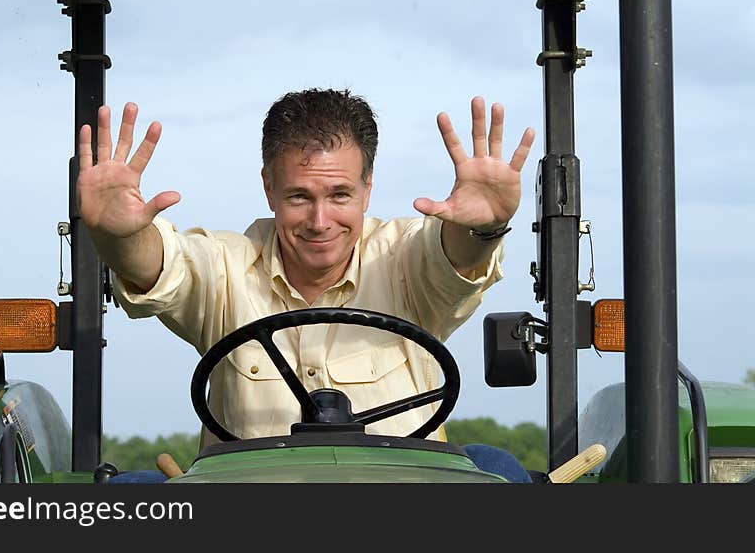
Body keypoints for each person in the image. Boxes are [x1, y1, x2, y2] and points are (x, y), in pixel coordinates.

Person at [77, 88, 536, 482]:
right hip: (253, 518)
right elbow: (159, 266)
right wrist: (121, 235)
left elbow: (453, 257)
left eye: (339, 195)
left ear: (367, 189)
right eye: (299, 196)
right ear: (269, 188)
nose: (320, 222)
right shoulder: (226, 270)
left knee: (494, 467)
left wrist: (483, 228)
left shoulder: (404, 263)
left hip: (401, 511)